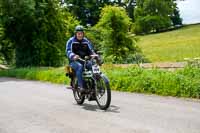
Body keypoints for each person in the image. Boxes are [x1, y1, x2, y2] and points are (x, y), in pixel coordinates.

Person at [66, 25, 96, 93]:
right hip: (73, 61)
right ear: (75, 34)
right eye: (78, 33)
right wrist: (73, 56)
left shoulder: (86, 41)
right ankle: (81, 86)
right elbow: (68, 51)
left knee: (93, 65)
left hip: (84, 60)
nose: (80, 35)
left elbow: (90, 50)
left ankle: (94, 85)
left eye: (81, 33)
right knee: (80, 66)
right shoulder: (71, 41)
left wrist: (93, 55)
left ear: (83, 34)